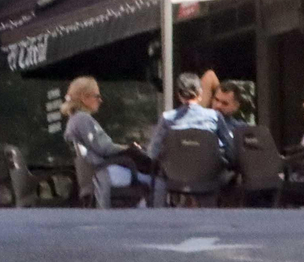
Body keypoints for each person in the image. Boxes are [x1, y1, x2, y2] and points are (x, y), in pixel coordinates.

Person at [147, 72, 237, 204]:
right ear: (200, 93)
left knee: (159, 179)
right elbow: (231, 149)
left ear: (179, 95)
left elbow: (152, 153)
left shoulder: (167, 118)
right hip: (209, 177)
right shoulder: (214, 117)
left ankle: (158, 213)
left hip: (175, 177)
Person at [62, 77, 148, 209]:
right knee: (155, 179)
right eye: (97, 96)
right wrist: (128, 148)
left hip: (96, 173)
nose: (100, 100)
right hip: (103, 173)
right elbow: (104, 148)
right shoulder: (83, 119)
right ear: (84, 98)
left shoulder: (74, 120)